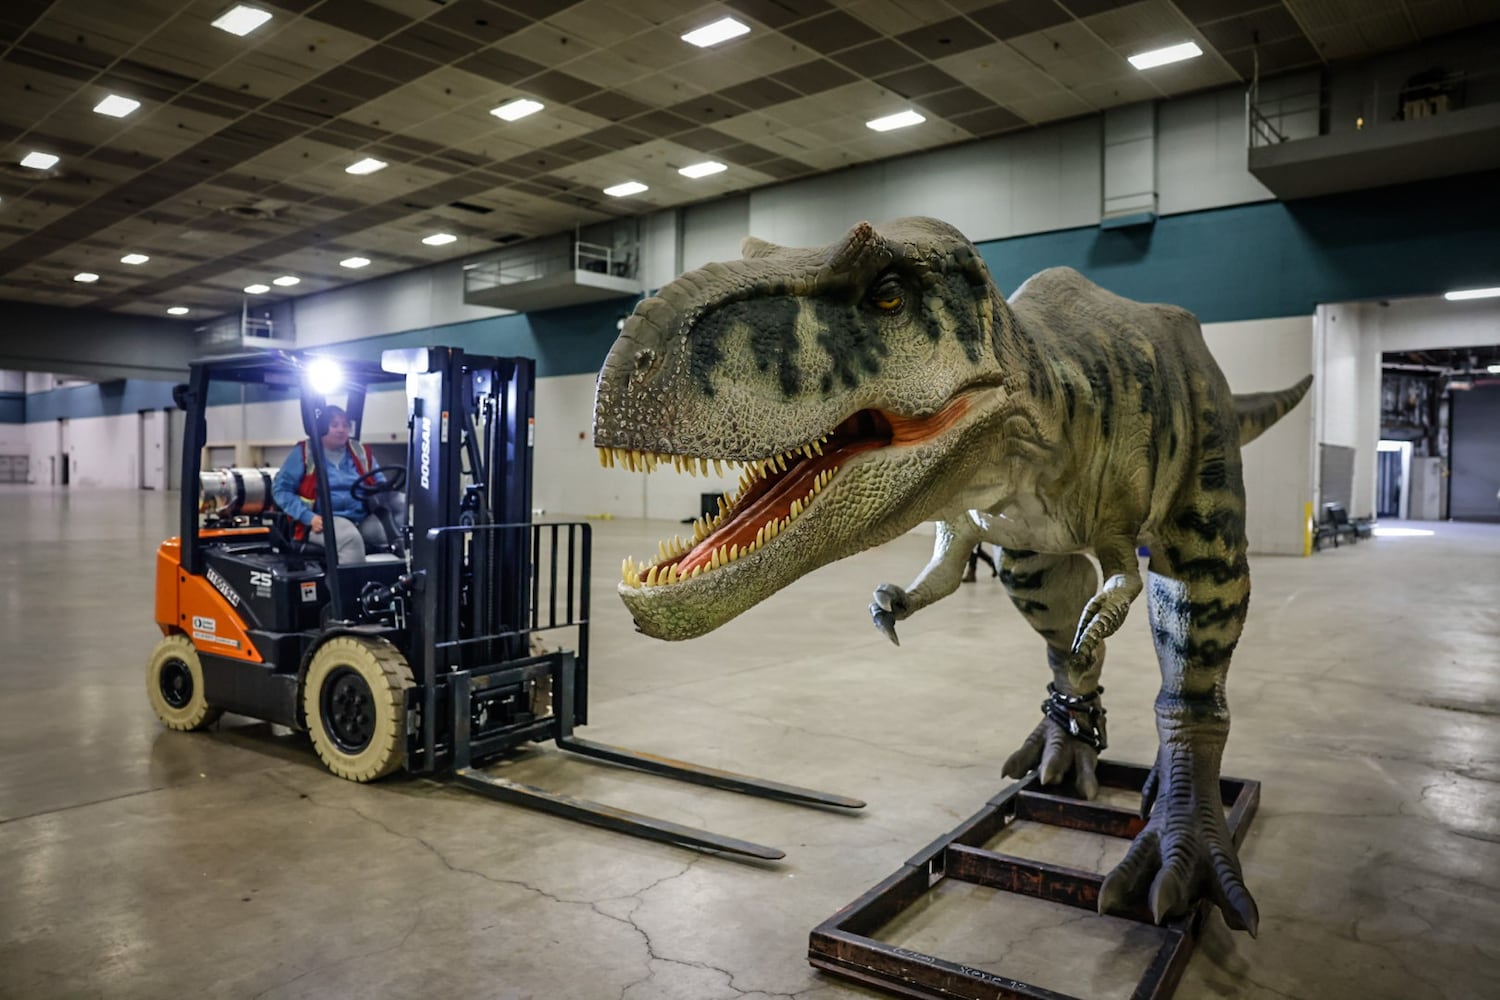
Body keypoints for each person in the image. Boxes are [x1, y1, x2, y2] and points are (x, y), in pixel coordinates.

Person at [271, 405, 394, 564]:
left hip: (360, 516)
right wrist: (308, 517)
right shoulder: (305, 452)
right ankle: (352, 588)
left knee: (387, 534)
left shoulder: (359, 451)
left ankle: (391, 584)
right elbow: (281, 490)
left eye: (345, 425)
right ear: (321, 428)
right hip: (320, 521)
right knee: (350, 539)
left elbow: (379, 480)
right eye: (334, 425)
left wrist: (384, 489)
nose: (341, 430)